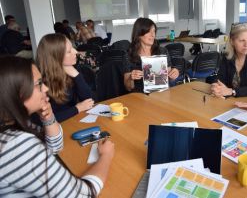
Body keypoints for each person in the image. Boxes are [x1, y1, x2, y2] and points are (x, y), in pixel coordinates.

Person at [0, 56, 114, 197]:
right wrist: (106, 155)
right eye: (39, 83)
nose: (46, 88)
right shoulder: (16, 145)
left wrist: (48, 117)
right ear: (16, 93)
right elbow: (82, 195)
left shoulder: (15, 125)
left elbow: (54, 148)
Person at [36, 33, 95, 122]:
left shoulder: (71, 70)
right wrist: (77, 108)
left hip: (70, 121)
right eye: (69, 51)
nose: (75, 52)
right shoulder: (40, 83)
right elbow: (44, 119)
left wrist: (76, 75)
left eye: (73, 48)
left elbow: (89, 100)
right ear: (55, 57)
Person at [211, 24, 247, 98]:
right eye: (242, 40)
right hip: (233, 100)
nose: (246, 44)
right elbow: (220, 79)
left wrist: (232, 91)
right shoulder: (226, 57)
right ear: (232, 42)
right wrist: (216, 86)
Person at [124, 17, 179, 92]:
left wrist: (174, 74)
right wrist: (131, 77)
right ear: (139, 34)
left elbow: (169, 80)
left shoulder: (162, 51)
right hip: (140, 97)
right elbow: (128, 87)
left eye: (154, 31)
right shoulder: (129, 55)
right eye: (149, 31)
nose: (153, 35)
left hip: (161, 95)